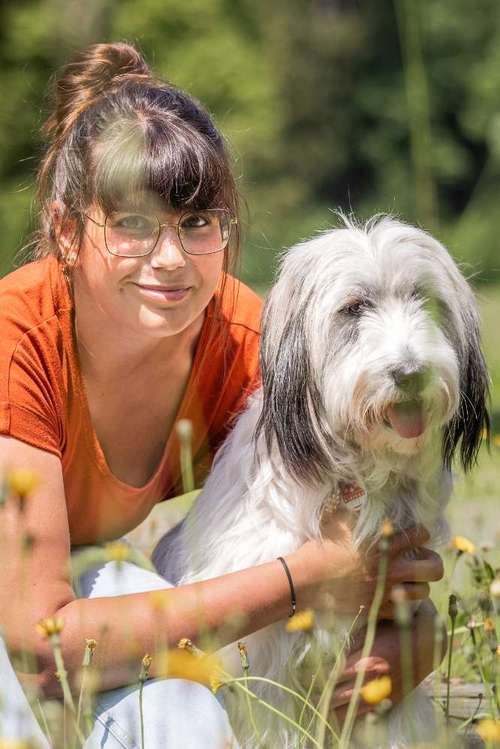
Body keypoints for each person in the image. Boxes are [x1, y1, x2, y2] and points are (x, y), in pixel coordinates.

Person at [0, 41, 445, 747]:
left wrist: (412, 639)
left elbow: (378, 563)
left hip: (81, 585)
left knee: (186, 716)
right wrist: (309, 575)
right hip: (32, 619)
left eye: (196, 223)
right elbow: (43, 650)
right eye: (133, 224)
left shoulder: (249, 340)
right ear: (65, 230)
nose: (171, 259)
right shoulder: (17, 339)